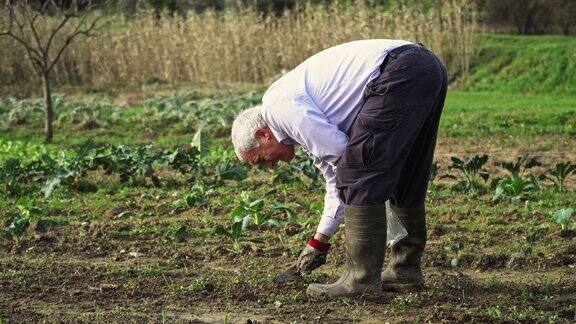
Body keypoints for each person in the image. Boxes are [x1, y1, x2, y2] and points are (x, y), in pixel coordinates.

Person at [231, 39, 448, 298]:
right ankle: (405, 271)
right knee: (408, 174)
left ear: (262, 134)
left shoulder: (277, 108)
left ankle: (360, 282)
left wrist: (356, 173)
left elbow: (346, 162)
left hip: (398, 74)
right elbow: (336, 179)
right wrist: (319, 241)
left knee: (360, 170)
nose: (270, 166)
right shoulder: (297, 118)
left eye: (261, 160)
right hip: (424, 67)